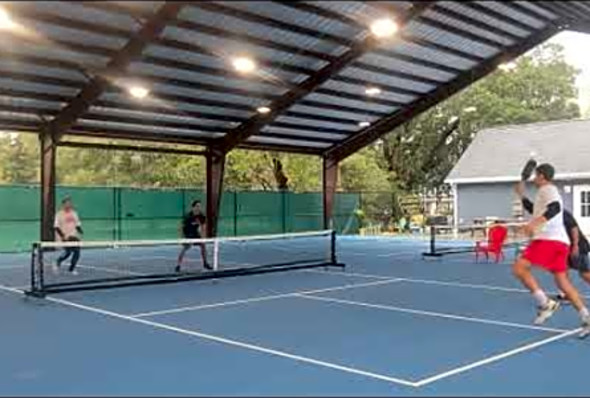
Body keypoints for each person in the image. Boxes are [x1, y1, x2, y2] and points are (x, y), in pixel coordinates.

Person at [513, 163, 590, 338]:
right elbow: (536, 210)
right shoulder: (545, 193)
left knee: (519, 268)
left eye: (535, 175)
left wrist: (533, 224)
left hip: (549, 240)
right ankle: (586, 317)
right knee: (562, 282)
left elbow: (554, 208)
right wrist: (521, 195)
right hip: (561, 243)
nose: (533, 178)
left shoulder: (547, 189)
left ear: (541, 176)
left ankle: (545, 303)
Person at [518, 185, 590, 302]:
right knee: (562, 270)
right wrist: (521, 195)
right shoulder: (545, 213)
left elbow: (574, 228)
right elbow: (531, 208)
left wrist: (575, 246)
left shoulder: (562, 213)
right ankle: (565, 295)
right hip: (563, 245)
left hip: (578, 246)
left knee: (585, 274)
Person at [176, 200, 212, 272]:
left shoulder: (201, 216)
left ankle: (205, 263)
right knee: (185, 248)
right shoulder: (188, 216)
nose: (198, 208)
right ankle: (178, 265)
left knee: (203, 246)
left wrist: (203, 237)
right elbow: (180, 227)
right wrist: (182, 237)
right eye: (197, 206)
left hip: (196, 234)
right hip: (188, 234)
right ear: (193, 207)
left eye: (199, 206)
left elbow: (203, 227)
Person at [53, 196, 83, 275]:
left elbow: (77, 225)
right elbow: (56, 227)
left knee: (77, 252)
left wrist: (80, 232)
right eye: (67, 203)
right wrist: (63, 236)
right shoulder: (59, 214)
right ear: (63, 204)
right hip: (65, 237)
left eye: (70, 203)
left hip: (74, 236)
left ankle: (71, 269)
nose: (68, 205)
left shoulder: (74, 213)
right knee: (68, 252)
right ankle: (58, 261)